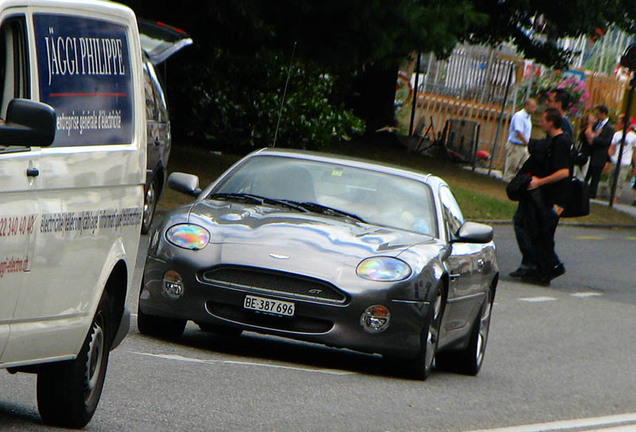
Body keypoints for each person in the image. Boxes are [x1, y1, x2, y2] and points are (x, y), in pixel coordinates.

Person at [521, 108, 572, 286]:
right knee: (540, 231)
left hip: (557, 200)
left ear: (551, 122)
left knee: (545, 232)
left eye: (543, 119)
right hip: (550, 196)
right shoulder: (555, 141)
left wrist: (540, 181)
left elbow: (564, 172)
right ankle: (543, 268)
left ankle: (552, 267)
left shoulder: (561, 143)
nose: (540, 123)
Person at [584, 105, 614, 198]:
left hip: (600, 155)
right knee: (586, 174)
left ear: (603, 114)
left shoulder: (609, 128)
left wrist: (594, 138)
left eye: (598, 113)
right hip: (591, 153)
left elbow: (606, 142)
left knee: (595, 177)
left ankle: (591, 194)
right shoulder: (596, 124)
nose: (597, 115)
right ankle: (583, 191)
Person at [504, 98, 537, 182]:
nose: (534, 109)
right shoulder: (519, 116)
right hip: (515, 145)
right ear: (526, 106)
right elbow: (519, 132)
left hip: (523, 147)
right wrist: (528, 143)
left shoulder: (528, 117)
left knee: (525, 166)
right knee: (512, 167)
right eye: (532, 107)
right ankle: (507, 183)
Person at [607, 114, 636, 204]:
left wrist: (634, 165)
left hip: (625, 163)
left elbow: (635, 152)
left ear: (624, 123)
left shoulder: (633, 137)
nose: (618, 123)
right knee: (611, 180)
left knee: (620, 181)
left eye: (619, 121)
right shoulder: (617, 134)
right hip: (615, 161)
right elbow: (612, 147)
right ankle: (610, 198)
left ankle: (615, 199)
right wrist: (611, 156)